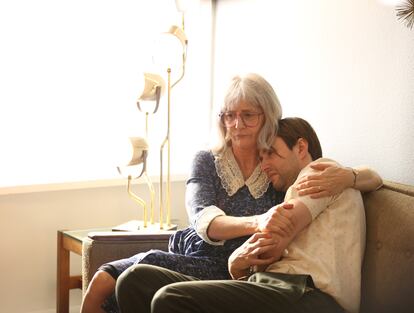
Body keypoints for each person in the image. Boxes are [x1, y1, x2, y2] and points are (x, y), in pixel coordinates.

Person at [80, 74, 378, 313]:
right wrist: (259, 223)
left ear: (268, 118)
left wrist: (351, 175)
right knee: (122, 279)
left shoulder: (287, 174)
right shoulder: (211, 160)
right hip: (205, 256)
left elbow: (282, 233)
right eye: (229, 116)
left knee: (162, 296)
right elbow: (205, 219)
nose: (236, 125)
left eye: (248, 115)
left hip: (253, 273)